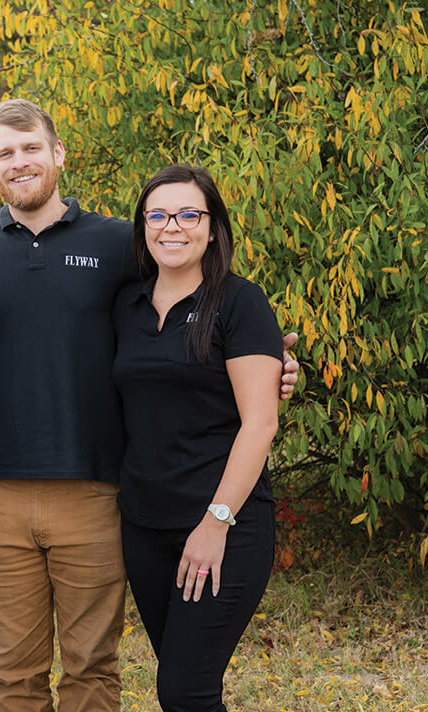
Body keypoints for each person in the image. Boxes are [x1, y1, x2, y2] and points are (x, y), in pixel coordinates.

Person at [0, 98, 298, 712]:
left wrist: (274, 368)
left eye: (31, 148)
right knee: (14, 679)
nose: (19, 162)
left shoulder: (117, 245)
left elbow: (188, 315)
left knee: (93, 671)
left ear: (58, 154)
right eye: (5, 153)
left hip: (99, 489)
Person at [113, 165, 280, 711]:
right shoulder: (125, 307)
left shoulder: (239, 303)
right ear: (142, 227)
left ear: (213, 227)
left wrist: (216, 523)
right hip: (144, 525)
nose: (173, 227)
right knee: (187, 686)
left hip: (223, 525)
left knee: (185, 691)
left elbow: (261, 421)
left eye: (189, 214)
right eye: (158, 215)